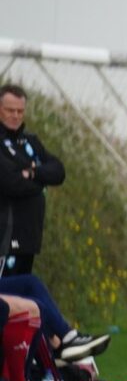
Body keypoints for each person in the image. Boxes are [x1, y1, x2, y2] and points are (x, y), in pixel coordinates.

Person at [0, 84, 66, 276]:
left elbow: (58, 171)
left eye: (20, 111)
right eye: (10, 110)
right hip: (5, 239)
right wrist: (40, 179)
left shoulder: (30, 141)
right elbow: (11, 182)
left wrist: (32, 173)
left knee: (21, 299)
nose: (16, 115)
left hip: (29, 239)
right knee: (4, 297)